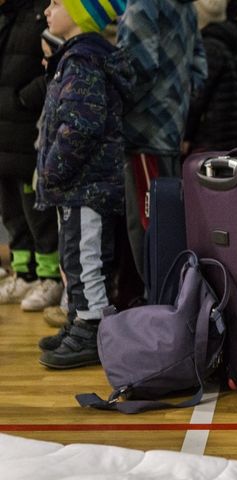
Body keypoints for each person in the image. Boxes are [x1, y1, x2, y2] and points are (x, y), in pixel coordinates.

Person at [35, 0, 132, 369]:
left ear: (80, 14)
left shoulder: (84, 61)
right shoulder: (74, 57)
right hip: (76, 186)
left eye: (56, 2)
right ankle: (79, 317)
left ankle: (92, 329)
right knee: (73, 257)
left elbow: (81, 126)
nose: (47, 10)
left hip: (86, 185)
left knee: (86, 258)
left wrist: (52, 170)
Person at [117, 0, 207, 283]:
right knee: (165, 220)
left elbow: (137, 68)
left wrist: (113, 104)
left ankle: (157, 307)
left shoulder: (144, 4)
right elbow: (200, 69)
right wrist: (175, 103)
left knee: (148, 225)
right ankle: (163, 302)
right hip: (169, 126)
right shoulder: (187, 8)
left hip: (144, 130)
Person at [0, 0, 63, 312]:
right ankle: (23, 272)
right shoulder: (10, 15)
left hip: (29, 128)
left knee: (36, 210)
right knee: (11, 208)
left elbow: (59, 61)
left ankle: (49, 277)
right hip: (5, 129)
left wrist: (26, 98)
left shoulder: (46, 11)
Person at [183, 0, 237, 153]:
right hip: (226, 136)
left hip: (210, 139)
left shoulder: (209, 48)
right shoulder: (228, 42)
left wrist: (186, 135)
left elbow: (198, 97)